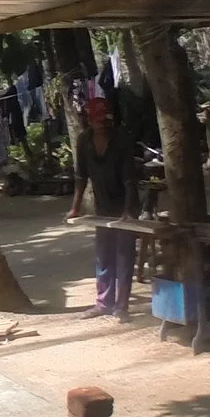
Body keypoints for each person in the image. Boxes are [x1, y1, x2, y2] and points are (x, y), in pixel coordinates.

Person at [68, 92, 139, 317]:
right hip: (103, 206)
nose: (102, 123)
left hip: (125, 203)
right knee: (104, 254)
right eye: (97, 119)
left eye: (105, 119)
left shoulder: (122, 140)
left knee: (124, 255)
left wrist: (128, 211)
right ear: (89, 120)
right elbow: (81, 177)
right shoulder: (84, 141)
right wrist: (76, 207)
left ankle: (122, 306)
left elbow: (130, 180)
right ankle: (104, 303)